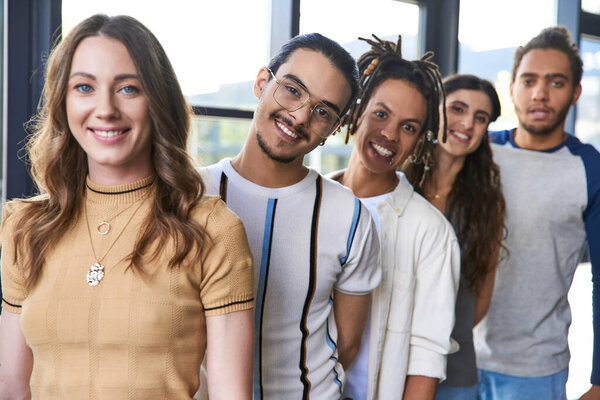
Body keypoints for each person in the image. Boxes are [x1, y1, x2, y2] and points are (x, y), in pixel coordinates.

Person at [0, 14, 254, 400]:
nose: (105, 109)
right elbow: (12, 388)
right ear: (62, 101)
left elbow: (230, 394)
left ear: (158, 100)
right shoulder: (25, 227)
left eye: (128, 89)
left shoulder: (211, 229)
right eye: (84, 87)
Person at [200, 33, 380, 399]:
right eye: (293, 90)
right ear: (262, 83)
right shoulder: (190, 193)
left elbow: (346, 343)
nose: (299, 117)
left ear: (335, 129)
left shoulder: (350, 216)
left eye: (323, 111)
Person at [330, 35, 460, 400]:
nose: (389, 134)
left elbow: (426, 361)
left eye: (408, 127)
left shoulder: (432, 233)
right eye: (381, 113)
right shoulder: (313, 199)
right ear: (356, 111)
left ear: (419, 141)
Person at [473, 26, 600, 400]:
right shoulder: (480, 153)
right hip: (454, 359)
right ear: (512, 87)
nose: (540, 93)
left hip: (534, 373)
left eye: (556, 82)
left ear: (575, 92)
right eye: (529, 81)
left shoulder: (589, 168)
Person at [417, 74, 506, 400]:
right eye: (457, 108)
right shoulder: (397, 185)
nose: (467, 123)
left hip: (456, 369)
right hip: (389, 364)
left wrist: (446, 334)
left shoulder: (487, 204)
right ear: (433, 111)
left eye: (480, 117)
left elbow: (480, 298)